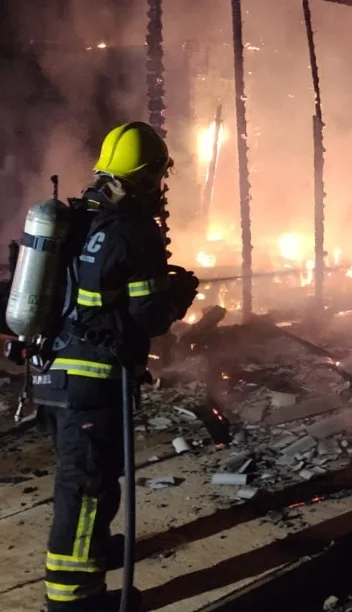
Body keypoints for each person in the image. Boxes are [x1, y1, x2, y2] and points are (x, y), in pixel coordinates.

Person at [31, 121, 199, 611]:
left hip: (54, 371)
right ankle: (72, 600)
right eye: (159, 178)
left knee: (84, 480)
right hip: (94, 379)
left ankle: (90, 554)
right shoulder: (133, 230)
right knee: (86, 489)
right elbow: (147, 315)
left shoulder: (78, 217)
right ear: (147, 176)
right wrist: (178, 296)